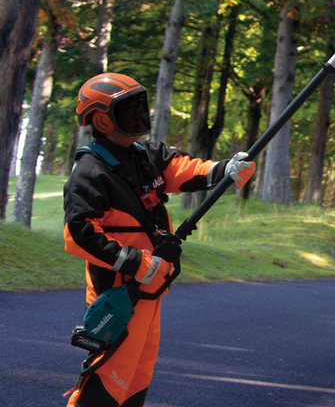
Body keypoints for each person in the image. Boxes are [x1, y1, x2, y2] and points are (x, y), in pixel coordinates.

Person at [63, 72, 255, 407]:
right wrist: (136, 262)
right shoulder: (90, 171)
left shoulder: (145, 155)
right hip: (118, 296)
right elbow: (78, 235)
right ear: (101, 120)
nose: (139, 114)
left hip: (152, 292)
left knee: (137, 378)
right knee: (108, 380)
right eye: (128, 109)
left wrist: (224, 170)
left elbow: (182, 169)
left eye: (141, 105)